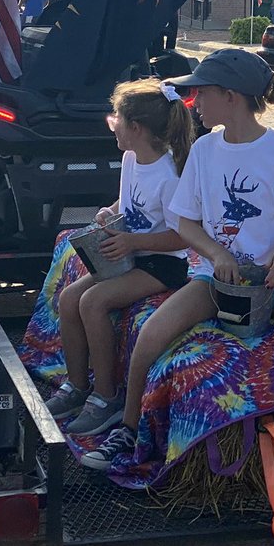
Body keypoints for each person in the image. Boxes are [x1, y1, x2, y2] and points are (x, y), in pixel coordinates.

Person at [82, 48, 274, 473]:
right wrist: (216, 254)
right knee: (150, 338)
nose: (194, 103)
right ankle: (127, 428)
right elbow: (188, 224)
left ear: (230, 96)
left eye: (202, 94)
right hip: (211, 280)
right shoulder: (203, 151)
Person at [43, 78, 196, 436]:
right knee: (69, 299)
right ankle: (77, 386)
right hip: (130, 255)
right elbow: (127, 202)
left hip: (162, 264)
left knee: (93, 303)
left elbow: (180, 236)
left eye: (117, 119)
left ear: (137, 128)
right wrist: (108, 211)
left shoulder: (170, 174)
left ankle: (105, 397)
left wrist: (130, 242)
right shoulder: (130, 158)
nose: (112, 124)